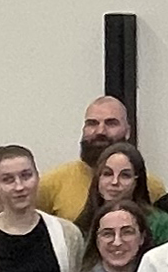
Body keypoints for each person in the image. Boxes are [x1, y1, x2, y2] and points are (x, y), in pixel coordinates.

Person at [38, 95, 161, 223]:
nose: (100, 131)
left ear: (128, 131)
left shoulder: (152, 186)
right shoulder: (51, 183)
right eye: (92, 123)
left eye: (111, 123)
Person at [80, 141, 168, 249]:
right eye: (107, 174)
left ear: (137, 181)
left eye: (125, 175)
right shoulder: (83, 224)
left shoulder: (160, 224)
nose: (115, 182)